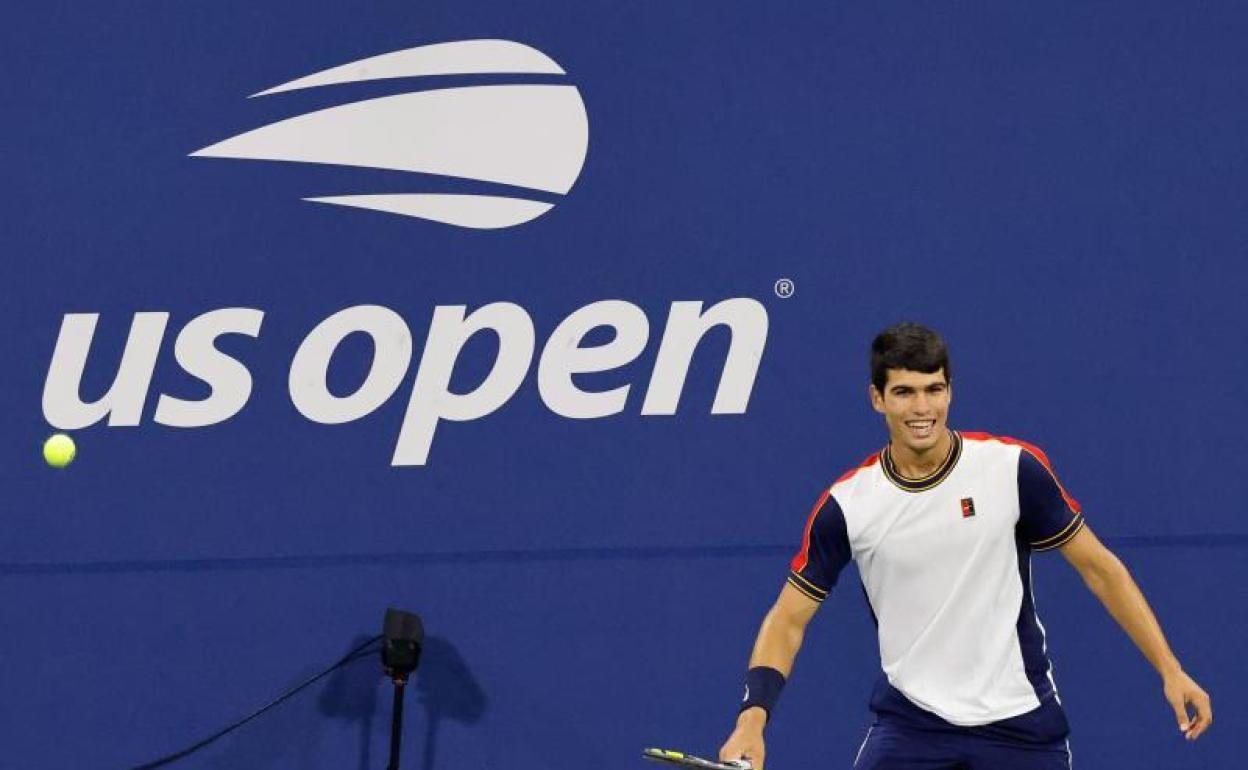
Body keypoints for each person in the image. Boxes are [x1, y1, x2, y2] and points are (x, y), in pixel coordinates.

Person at [719, 323, 1212, 770]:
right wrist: (751, 719)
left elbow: (1100, 570)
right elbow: (787, 619)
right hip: (911, 725)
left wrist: (1170, 669)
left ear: (950, 391)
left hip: (1021, 724)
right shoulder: (847, 504)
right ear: (877, 398)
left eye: (934, 390)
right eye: (904, 393)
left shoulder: (1012, 469)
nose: (921, 408)